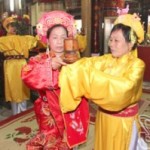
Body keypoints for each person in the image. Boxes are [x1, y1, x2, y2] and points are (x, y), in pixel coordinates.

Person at [59, 13, 146, 150]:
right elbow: (88, 64)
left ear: (130, 44)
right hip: (103, 117)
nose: (111, 44)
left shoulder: (137, 65)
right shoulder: (107, 59)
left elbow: (124, 89)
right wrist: (73, 65)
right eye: (110, 39)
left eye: (116, 40)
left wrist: (89, 76)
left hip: (122, 123)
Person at [21, 10, 89, 149]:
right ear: (47, 40)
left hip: (71, 111)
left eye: (63, 37)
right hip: (49, 113)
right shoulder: (39, 60)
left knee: (70, 141)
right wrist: (50, 66)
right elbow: (27, 76)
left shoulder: (74, 60)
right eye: (55, 37)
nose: (59, 42)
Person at [0, 13, 37, 115]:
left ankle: (23, 111)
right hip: (10, 65)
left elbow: (35, 40)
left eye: (14, 26)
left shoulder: (23, 38)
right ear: (6, 27)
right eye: (11, 26)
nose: (13, 28)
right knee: (13, 87)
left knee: (23, 86)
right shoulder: (3, 40)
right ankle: (15, 113)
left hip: (22, 63)